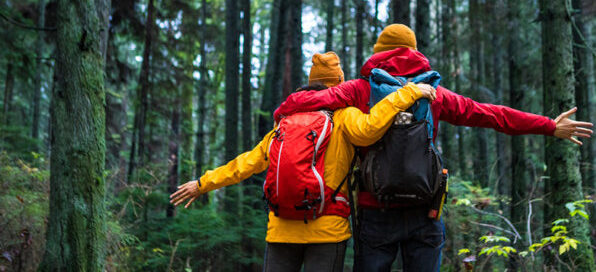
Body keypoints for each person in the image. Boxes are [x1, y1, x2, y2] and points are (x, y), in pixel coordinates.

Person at [272, 24, 594, 271]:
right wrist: (549, 125)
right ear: (414, 51)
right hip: (425, 211)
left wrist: (284, 109)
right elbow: (492, 115)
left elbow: (308, 101)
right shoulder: (432, 92)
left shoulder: (359, 90)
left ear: (378, 52)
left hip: (374, 212)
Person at [169, 52, 437, 272]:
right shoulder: (344, 116)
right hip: (327, 230)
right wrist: (407, 93)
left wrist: (202, 183)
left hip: (281, 229)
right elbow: (370, 129)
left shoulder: (286, 122)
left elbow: (245, 164)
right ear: (339, 84)